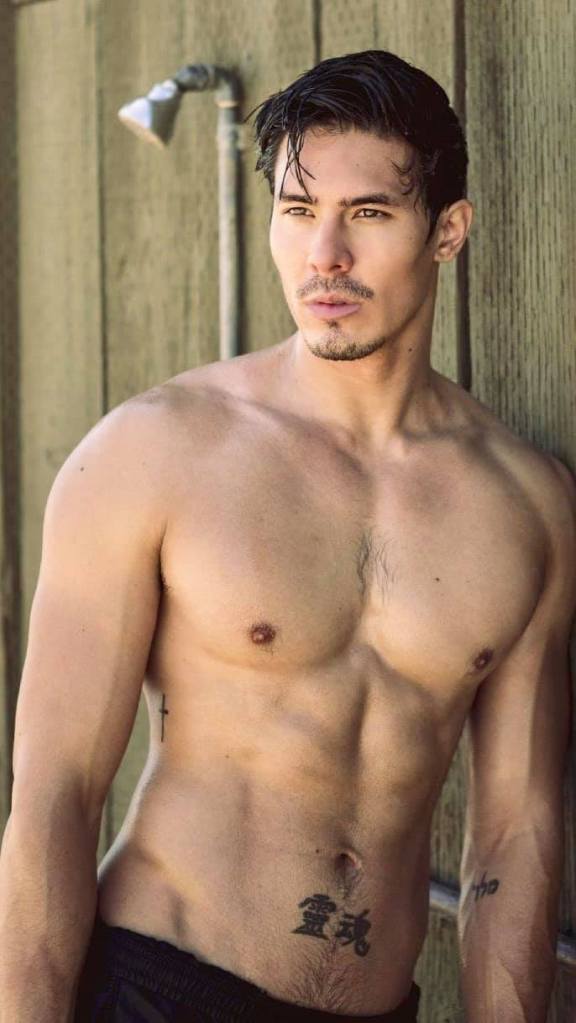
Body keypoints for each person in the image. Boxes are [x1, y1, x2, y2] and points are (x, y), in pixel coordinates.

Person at [0, 48, 574, 1023]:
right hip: (160, 993)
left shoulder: (527, 504)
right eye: (299, 210)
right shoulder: (151, 454)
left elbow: (517, 838)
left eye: (370, 213)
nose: (325, 257)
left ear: (448, 231)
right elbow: (54, 796)